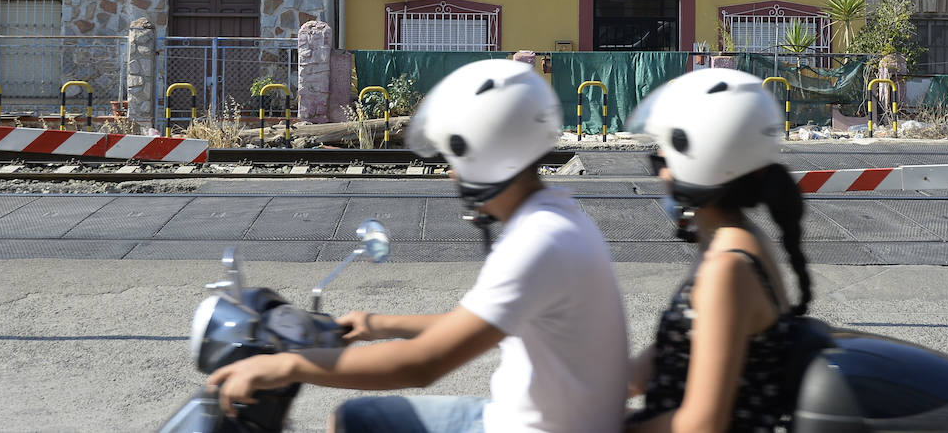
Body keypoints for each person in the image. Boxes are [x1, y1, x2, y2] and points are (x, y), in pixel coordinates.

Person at [205, 59, 630, 433]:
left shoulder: (538, 242)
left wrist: (287, 366)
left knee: (357, 421)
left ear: (482, 153)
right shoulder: (558, 217)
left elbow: (423, 364)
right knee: (355, 419)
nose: (451, 173)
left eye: (453, 158)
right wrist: (378, 324)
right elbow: (474, 322)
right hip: (533, 418)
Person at [624, 68, 812, 432]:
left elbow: (702, 425)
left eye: (661, 160)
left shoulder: (728, 268)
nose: (660, 174)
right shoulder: (732, 242)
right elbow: (654, 365)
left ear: (698, 159)